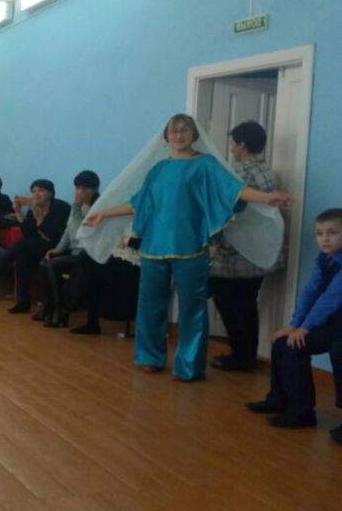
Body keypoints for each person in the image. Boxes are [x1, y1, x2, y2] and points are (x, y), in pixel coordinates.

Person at [82, 114, 289, 381]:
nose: (179, 135)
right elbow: (138, 203)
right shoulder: (158, 169)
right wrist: (104, 214)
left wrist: (266, 197)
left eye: (184, 130)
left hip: (191, 248)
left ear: (194, 134)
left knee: (193, 309)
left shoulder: (206, 165)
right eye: (174, 131)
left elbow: (235, 190)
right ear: (166, 136)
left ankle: (189, 365)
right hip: (154, 249)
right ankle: (149, 357)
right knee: (150, 306)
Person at [245, 208, 342, 435]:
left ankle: (303, 412)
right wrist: (294, 325)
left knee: (335, 350)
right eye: (319, 233)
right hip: (331, 324)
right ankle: (285, 402)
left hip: (337, 325)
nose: (325, 239)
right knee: (284, 343)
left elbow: (331, 299)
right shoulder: (324, 259)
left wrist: (305, 328)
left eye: (332, 233)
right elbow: (311, 291)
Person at [209, 121, 285, 371]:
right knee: (247, 304)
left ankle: (241, 355)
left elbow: (230, 210)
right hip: (260, 251)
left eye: (233, 143)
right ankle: (246, 355)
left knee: (230, 303)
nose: (231, 148)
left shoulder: (239, 173)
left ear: (241, 145)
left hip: (237, 252)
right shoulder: (268, 172)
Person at [38, 170, 100, 327]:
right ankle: (50, 307)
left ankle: (60, 311)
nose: (80, 192)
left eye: (85, 188)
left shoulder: (97, 208)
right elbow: (68, 229)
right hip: (73, 252)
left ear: (94, 190)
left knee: (52, 265)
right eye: (78, 188)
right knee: (45, 263)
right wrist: (58, 249)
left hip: (86, 254)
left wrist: (76, 206)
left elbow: (80, 233)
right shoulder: (77, 207)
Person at [1, 179, 71, 314]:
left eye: (41, 190)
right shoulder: (34, 207)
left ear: (50, 193)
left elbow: (52, 235)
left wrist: (39, 219)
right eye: (33, 191)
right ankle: (23, 302)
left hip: (58, 249)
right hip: (40, 248)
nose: (36, 194)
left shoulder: (61, 208)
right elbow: (28, 233)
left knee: (24, 244)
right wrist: (18, 212)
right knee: (22, 256)